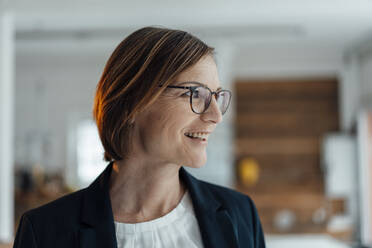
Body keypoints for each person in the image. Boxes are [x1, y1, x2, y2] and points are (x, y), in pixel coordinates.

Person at [13, 26, 266, 248]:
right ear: (133, 103)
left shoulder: (239, 214)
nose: (215, 116)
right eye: (195, 94)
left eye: (216, 96)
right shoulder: (45, 232)